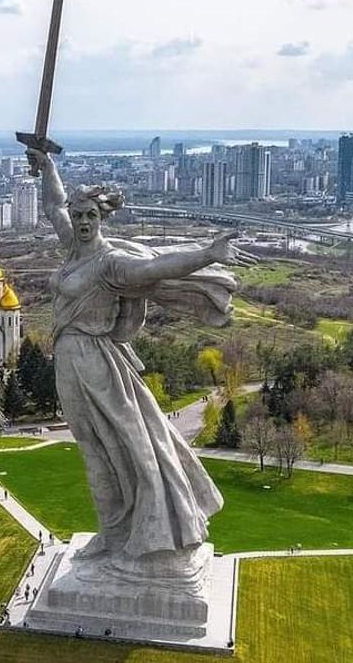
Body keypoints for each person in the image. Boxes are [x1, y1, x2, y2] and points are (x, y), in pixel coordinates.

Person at [27, 147, 255, 563]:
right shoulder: (72, 246)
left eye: (89, 217)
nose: (80, 222)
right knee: (92, 447)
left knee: (127, 443)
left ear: (101, 219)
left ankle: (149, 529)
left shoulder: (109, 263)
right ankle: (111, 531)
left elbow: (157, 269)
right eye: (78, 216)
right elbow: (53, 204)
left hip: (95, 361)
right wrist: (49, 166)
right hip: (68, 357)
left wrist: (206, 254)